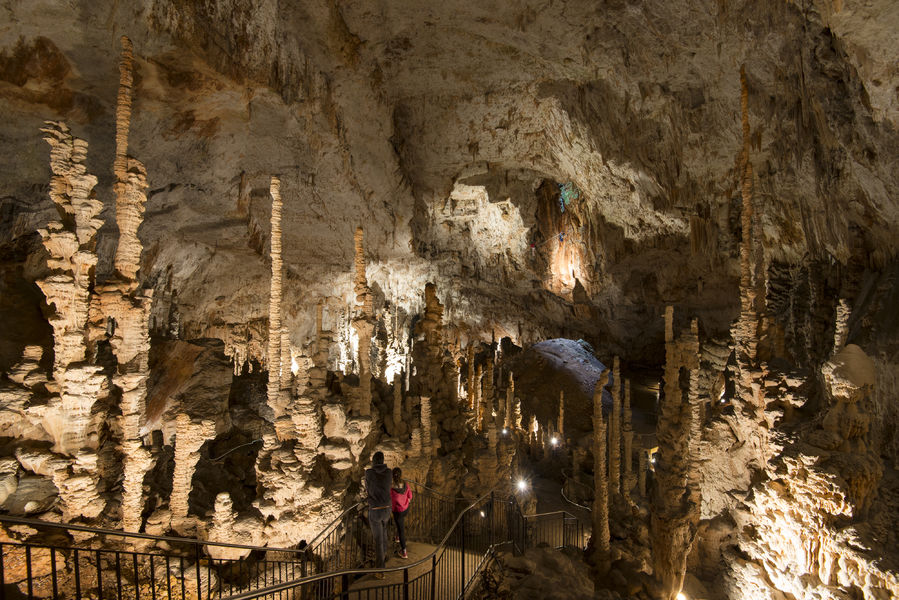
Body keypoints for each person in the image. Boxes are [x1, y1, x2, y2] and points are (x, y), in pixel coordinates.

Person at [364, 451, 393, 576]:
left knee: (378, 539)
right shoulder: (389, 472)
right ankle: (385, 554)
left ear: (374, 461)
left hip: (375, 509)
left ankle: (380, 570)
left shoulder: (369, 473)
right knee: (384, 530)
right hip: (387, 508)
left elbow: (367, 487)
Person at [390, 467, 413, 559]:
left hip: (397, 512)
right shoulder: (405, 484)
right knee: (399, 524)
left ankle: (404, 552)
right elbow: (410, 496)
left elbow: (388, 499)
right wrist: (406, 500)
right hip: (405, 509)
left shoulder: (391, 488)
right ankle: (397, 537)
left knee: (401, 530)